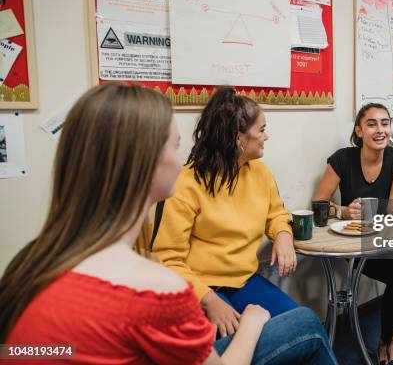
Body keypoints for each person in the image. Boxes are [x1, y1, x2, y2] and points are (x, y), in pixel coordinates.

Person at [0, 83, 337, 365]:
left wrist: (282, 235)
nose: (181, 161)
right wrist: (250, 321)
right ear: (143, 164)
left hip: (242, 281)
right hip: (206, 288)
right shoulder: (155, 287)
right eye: (174, 148)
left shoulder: (30, 265)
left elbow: (39, 351)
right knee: (306, 323)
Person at [153, 86, 298, 339]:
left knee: (302, 323)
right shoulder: (186, 183)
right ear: (237, 138)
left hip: (244, 282)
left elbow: (276, 214)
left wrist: (283, 234)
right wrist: (208, 300)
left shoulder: (260, 172)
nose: (267, 137)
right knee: (249, 343)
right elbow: (167, 259)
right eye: (261, 130)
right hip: (200, 287)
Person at [313, 103, 393, 365]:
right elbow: (319, 204)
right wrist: (344, 212)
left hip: (387, 243)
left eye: (385, 123)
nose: (380, 130)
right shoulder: (342, 159)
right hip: (355, 249)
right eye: (372, 124)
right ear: (359, 131)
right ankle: (388, 342)